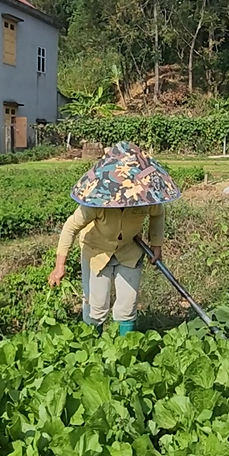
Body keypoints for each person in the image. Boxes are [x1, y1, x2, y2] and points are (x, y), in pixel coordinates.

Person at [47, 141, 183, 336]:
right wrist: (60, 265)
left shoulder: (146, 197)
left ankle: (125, 349)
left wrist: (156, 244)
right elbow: (70, 228)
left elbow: (158, 214)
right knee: (96, 306)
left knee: (128, 306)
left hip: (129, 249)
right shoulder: (96, 202)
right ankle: (92, 349)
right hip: (97, 251)